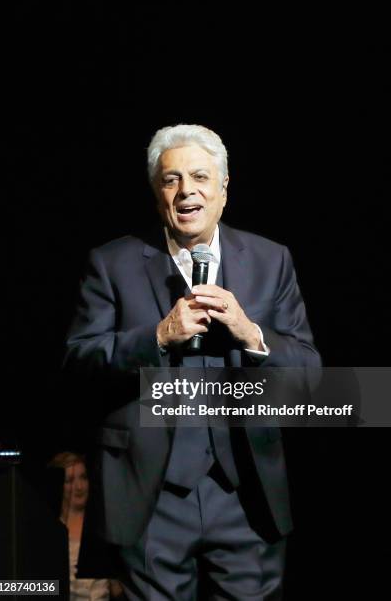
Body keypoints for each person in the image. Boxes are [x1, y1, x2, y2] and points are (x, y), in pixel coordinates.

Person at [64, 124, 321, 600]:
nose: (187, 191)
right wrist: (158, 336)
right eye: (171, 179)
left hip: (246, 495)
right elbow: (78, 360)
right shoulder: (112, 262)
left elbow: (309, 377)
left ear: (223, 189)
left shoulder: (271, 260)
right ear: (157, 192)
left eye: (200, 177)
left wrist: (251, 334)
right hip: (151, 495)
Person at [48, 452, 122, 600]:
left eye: (83, 477)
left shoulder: (104, 529)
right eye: (70, 480)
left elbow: (118, 590)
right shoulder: (49, 533)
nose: (79, 486)